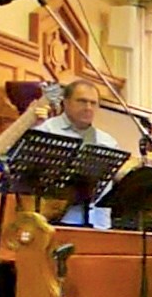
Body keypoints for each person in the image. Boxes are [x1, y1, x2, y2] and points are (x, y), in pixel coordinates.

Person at [39, 79, 121, 229]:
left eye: (93, 103)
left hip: (99, 222)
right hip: (58, 221)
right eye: (82, 101)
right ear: (66, 102)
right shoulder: (47, 131)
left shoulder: (107, 141)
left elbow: (117, 177)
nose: (88, 107)